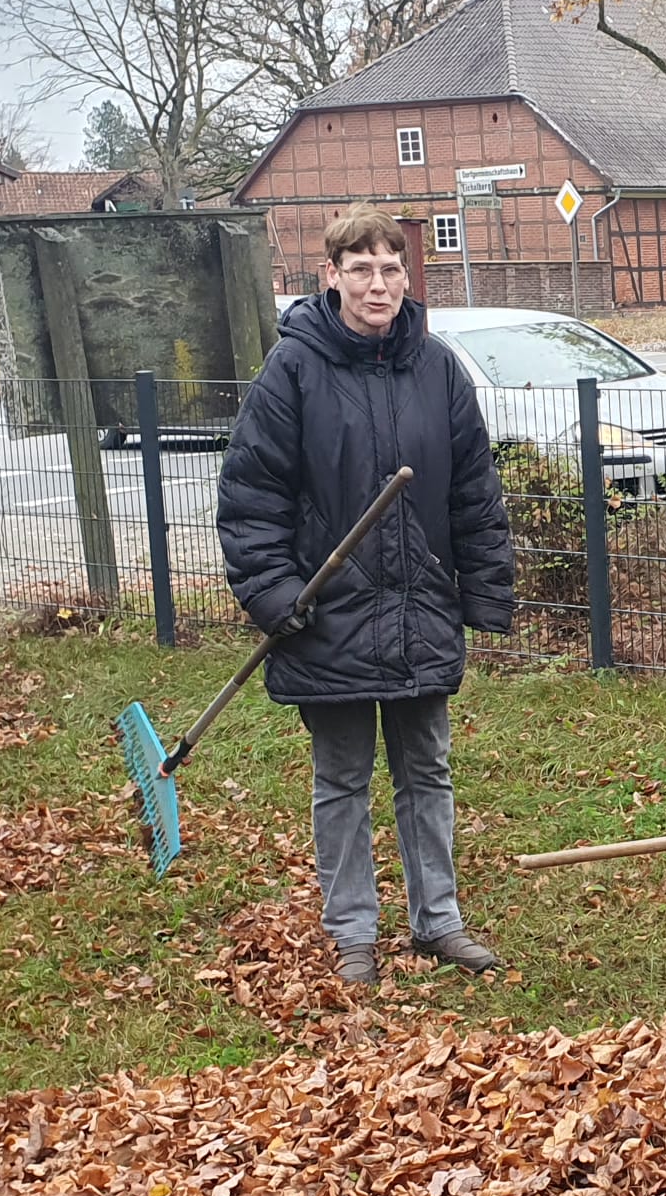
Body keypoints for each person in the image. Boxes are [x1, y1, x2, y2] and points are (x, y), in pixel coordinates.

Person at [217, 205, 518, 987]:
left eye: (390, 269)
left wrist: (483, 596)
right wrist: (274, 594)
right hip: (328, 616)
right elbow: (252, 498)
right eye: (361, 268)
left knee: (428, 772)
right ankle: (353, 933)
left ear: (406, 278)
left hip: (419, 611)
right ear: (332, 276)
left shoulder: (437, 369)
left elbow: (475, 495)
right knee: (342, 779)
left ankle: (438, 922)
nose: (377, 283)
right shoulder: (293, 372)